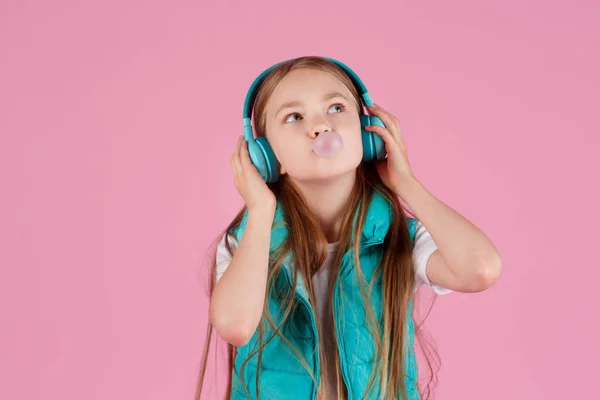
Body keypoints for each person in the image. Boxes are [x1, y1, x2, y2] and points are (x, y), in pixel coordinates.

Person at [195, 56, 502, 400]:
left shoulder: (400, 235)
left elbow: (480, 269)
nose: (320, 125)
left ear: (368, 132)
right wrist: (261, 209)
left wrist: (407, 184)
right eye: (294, 117)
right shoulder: (247, 241)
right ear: (265, 156)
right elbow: (235, 326)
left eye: (337, 108)